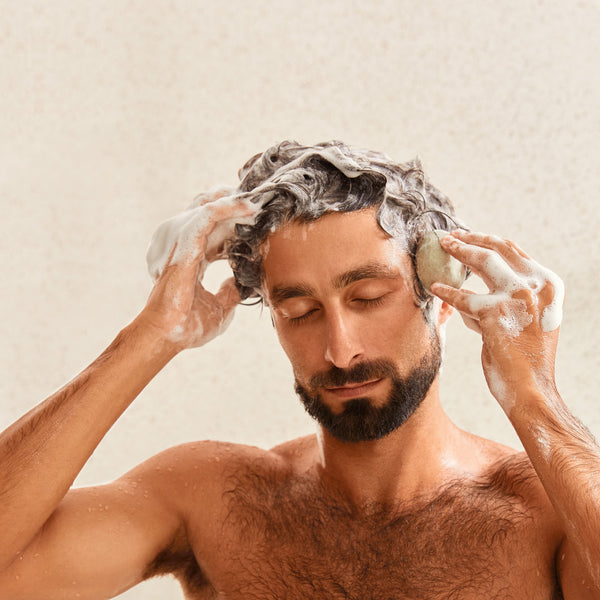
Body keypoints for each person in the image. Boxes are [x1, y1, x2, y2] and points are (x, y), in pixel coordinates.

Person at [0, 140, 598, 599]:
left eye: (367, 298)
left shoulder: (544, 510)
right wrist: (149, 337)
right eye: (301, 311)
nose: (340, 351)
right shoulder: (214, 498)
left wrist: (533, 394)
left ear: (439, 297)